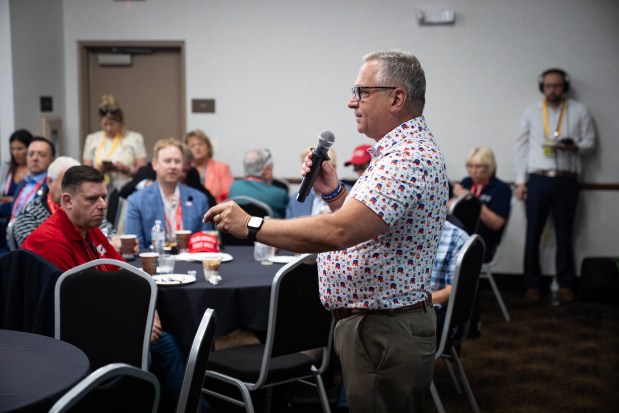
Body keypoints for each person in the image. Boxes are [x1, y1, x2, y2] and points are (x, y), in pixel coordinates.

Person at [203, 49, 447, 413]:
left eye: (362, 91)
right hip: (378, 325)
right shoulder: (395, 153)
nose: (351, 102)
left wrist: (251, 225)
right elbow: (369, 226)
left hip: (384, 328)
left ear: (396, 97)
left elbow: (340, 232)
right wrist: (334, 193)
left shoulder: (407, 157)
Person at [21, 165, 213, 413]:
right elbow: (77, 312)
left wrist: (147, 311)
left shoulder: (90, 229)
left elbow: (127, 276)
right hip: (76, 340)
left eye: (103, 196)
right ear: (67, 200)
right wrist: (138, 322)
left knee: (170, 341)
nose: (102, 204)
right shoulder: (49, 241)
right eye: (92, 199)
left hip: (110, 323)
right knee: (165, 348)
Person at [514, 68, 596, 303]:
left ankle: (566, 283)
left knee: (564, 233)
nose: (552, 90)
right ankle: (531, 283)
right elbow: (520, 148)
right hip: (537, 178)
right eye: (548, 86)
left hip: (566, 179)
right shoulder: (531, 112)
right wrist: (520, 182)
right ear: (542, 87)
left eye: (557, 85)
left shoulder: (579, 111)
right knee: (533, 233)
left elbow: (590, 142)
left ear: (565, 86)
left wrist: (575, 146)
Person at [125, 138, 213, 251]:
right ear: (155, 164)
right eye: (167, 161)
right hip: (154, 264)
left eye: (177, 161)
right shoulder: (136, 201)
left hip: (192, 263)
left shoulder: (199, 199)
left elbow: (206, 243)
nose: (173, 166)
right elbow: (137, 248)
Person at [451, 146, 512, 262]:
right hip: (460, 237)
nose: (472, 171)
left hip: (481, 243)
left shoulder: (501, 189)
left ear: (489, 167)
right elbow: (447, 212)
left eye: (478, 167)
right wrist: (454, 198)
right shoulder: (466, 182)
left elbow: (496, 224)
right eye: (469, 166)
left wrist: (475, 201)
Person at [82, 94, 147, 191]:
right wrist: (99, 170)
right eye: (105, 124)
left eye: (112, 124)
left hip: (127, 189)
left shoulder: (134, 138)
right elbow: (85, 172)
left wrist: (126, 169)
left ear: (120, 122)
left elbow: (143, 171)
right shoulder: (92, 139)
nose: (108, 128)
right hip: (99, 189)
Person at [119, 143, 216, 207]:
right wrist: (146, 185)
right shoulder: (147, 171)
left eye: (185, 169)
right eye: (168, 161)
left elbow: (208, 199)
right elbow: (123, 192)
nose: (183, 174)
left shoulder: (191, 172)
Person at [227, 148, 289, 218]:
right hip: (266, 228)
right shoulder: (279, 194)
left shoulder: (234, 187)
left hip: (236, 228)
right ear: (267, 170)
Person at [0, 129, 34, 253]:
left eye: (20, 149)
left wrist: (11, 199)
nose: (16, 153)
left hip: (24, 221)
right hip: (5, 220)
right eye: (13, 149)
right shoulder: (6, 169)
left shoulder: (34, 172)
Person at [8, 136, 55, 222]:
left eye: (42, 155)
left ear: (52, 159)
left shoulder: (52, 185)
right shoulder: (23, 182)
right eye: (31, 154)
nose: (35, 158)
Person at [285, 147, 338, 218]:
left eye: (317, 165)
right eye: (307, 166)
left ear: (333, 168)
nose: (310, 170)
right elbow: (289, 227)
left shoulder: (349, 195)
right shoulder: (295, 199)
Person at [185, 129, 233, 204]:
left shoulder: (222, 168)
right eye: (192, 145)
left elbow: (229, 197)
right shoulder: (186, 170)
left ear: (208, 147)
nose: (197, 148)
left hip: (217, 210)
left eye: (201, 144)